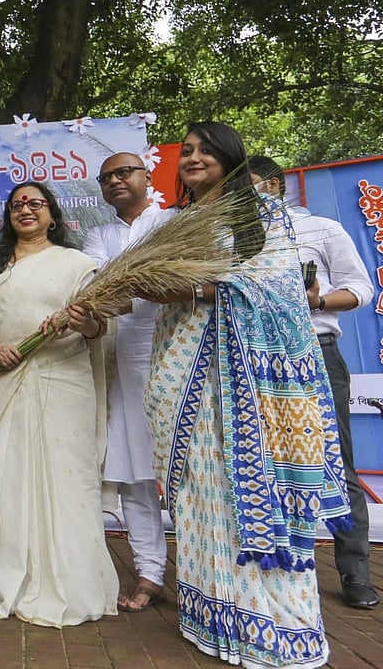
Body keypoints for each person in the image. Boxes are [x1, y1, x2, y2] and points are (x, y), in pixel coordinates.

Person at [142, 123, 352, 668]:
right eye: (186, 151)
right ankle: (212, 613)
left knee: (246, 495)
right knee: (199, 490)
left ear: (229, 159)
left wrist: (194, 285)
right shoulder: (181, 222)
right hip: (185, 369)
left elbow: (279, 284)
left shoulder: (261, 214)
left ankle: (276, 626)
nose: (192, 158)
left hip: (247, 387)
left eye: (205, 150)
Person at [0, 182, 118, 626]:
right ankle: (14, 575)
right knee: (10, 477)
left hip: (62, 378)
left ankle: (70, 583)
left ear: (53, 214)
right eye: (17, 205)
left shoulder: (77, 265)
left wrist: (83, 322)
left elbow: (97, 330)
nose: (25, 210)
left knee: (67, 478)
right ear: (8, 216)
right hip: (6, 379)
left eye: (35, 203)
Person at [248, 154, 378, 611]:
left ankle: (355, 571)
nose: (246, 199)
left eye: (252, 187)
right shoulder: (233, 240)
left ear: (275, 186)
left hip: (316, 352)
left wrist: (317, 298)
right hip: (254, 359)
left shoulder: (321, 229)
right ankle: (275, 570)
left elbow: (361, 289)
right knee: (262, 464)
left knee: (336, 461)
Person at [81, 154, 171, 613]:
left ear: (146, 177)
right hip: (122, 362)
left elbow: (181, 282)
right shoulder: (100, 235)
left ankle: (201, 571)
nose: (115, 181)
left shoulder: (175, 222)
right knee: (137, 475)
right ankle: (150, 571)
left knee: (184, 474)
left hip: (178, 355)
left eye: (124, 173)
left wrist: (131, 282)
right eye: (107, 177)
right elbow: (99, 288)